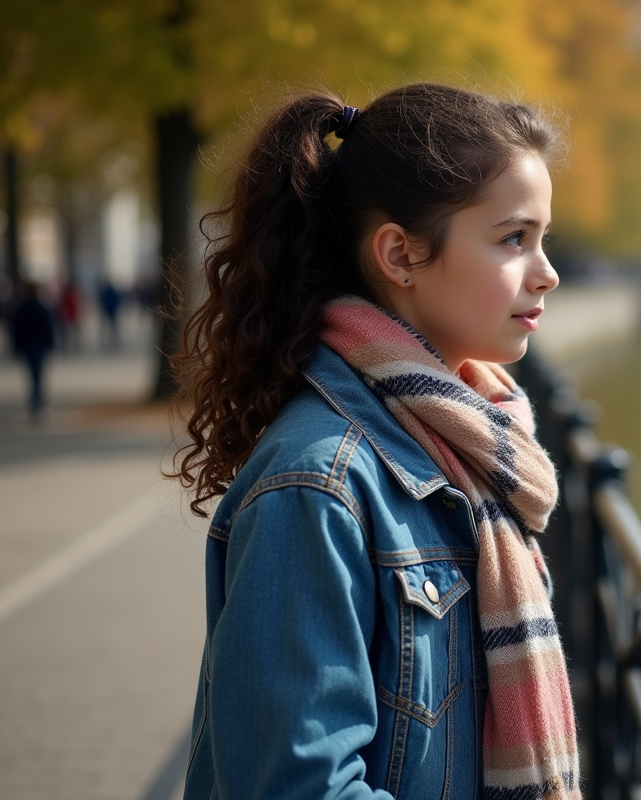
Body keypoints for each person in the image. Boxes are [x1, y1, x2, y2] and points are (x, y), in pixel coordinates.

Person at [169, 83, 578, 799]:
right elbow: (298, 787)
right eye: (514, 238)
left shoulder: (472, 442)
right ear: (399, 255)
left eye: (542, 238)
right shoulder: (318, 486)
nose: (547, 272)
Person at [9, 281, 55, 421]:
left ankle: (35, 404)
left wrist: (16, 347)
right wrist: (50, 344)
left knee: (32, 376)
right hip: (38, 346)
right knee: (38, 376)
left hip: (28, 346)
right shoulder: (40, 307)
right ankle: (37, 404)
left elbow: (16, 330)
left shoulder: (22, 308)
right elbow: (47, 327)